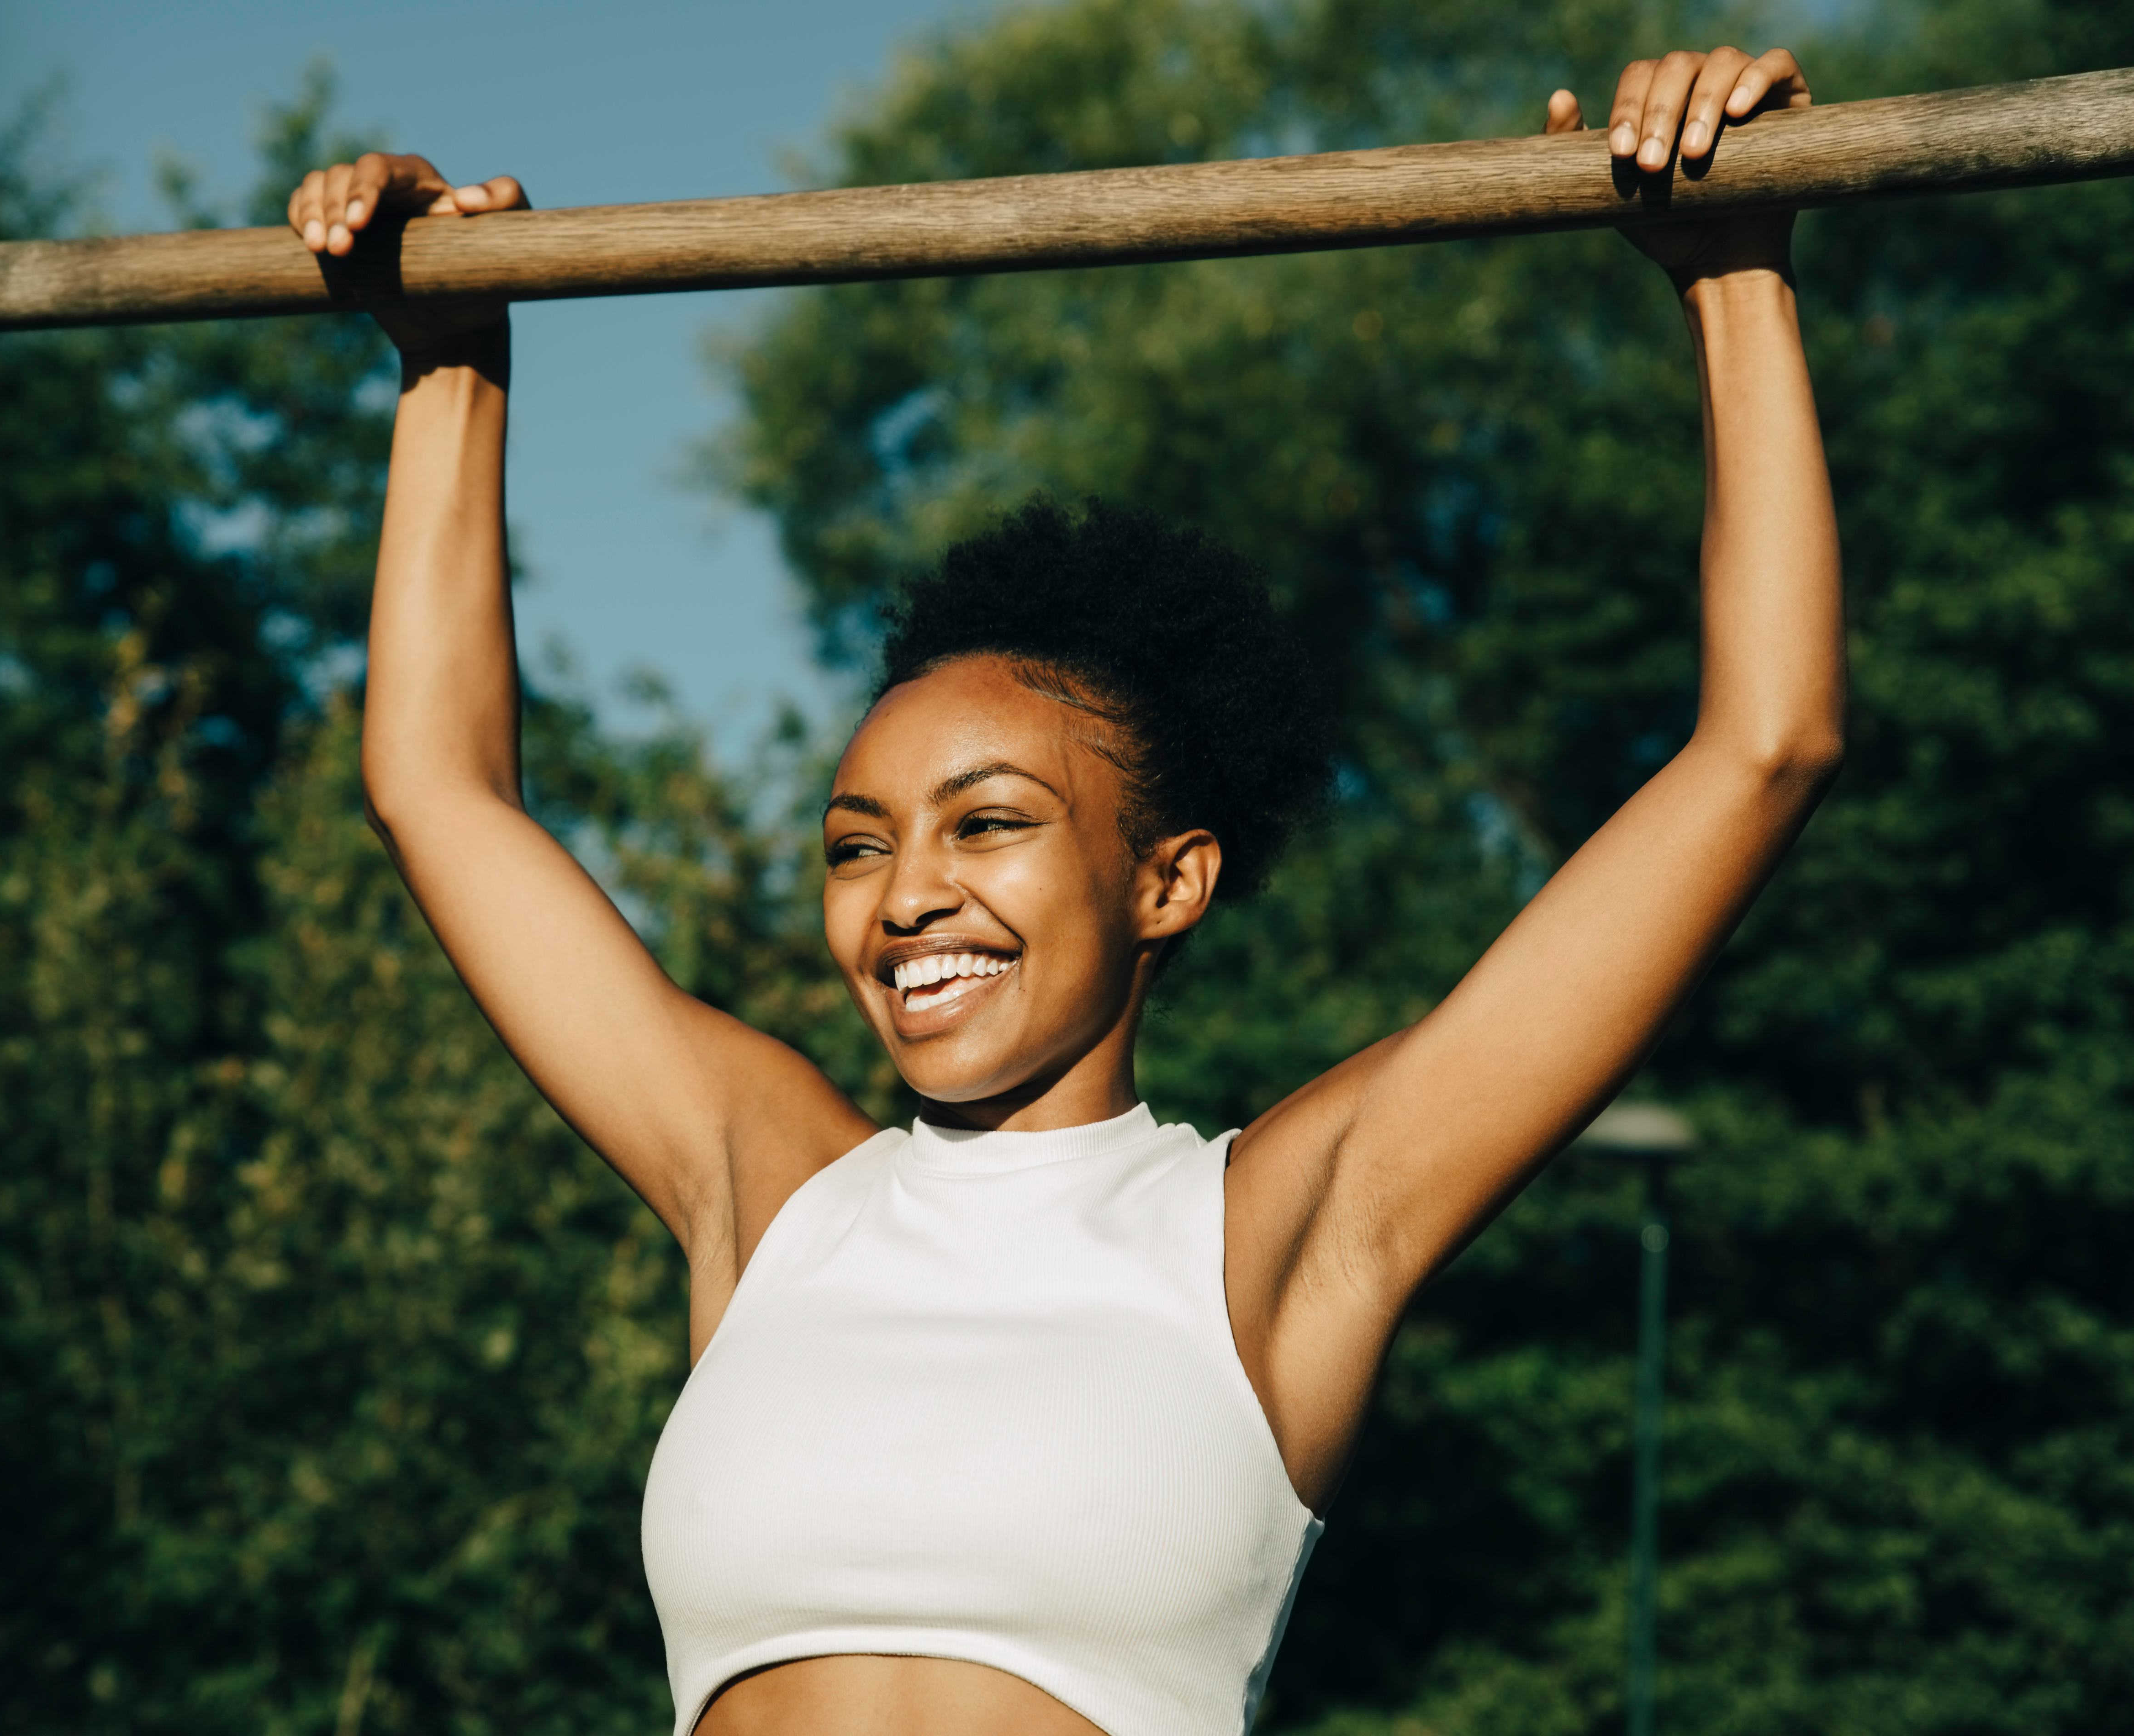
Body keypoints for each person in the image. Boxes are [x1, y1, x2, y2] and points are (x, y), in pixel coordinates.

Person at [289, 42, 1838, 1736]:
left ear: (1168, 880)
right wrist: (449, 367)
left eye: (987, 824)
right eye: (858, 842)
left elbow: (1759, 750)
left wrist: (1733, 277)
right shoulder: (770, 1191)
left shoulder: (1275, 1232)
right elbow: (435, 790)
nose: (906, 899)